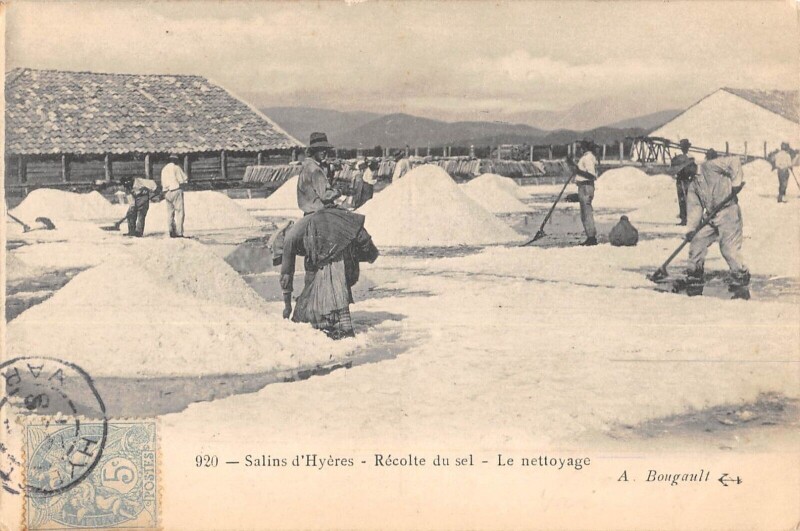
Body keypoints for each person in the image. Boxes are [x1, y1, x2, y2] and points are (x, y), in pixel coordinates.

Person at [279, 208, 379, 339]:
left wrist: (287, 306)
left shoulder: (289, 239)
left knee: (334, 282)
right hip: (344, 242)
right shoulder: (304, 225)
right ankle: (327, 320)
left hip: (337, 249)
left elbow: (286, 274)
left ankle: (345, 327)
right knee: (322, 285)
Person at [684, 149, 749, 299]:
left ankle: (740, 274)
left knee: (728, 248)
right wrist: (691, 229)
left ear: (690, 165)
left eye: (682, 170)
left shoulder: (710, 166)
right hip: (712, 216)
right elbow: (695, 208)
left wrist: (736, 183)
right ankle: (695, 273)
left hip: (728, 212)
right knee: (697, 240)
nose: (682, 174)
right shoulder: (693, 185)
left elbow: (735, 160)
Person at [297, 132, 341, 214]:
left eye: (325, 149)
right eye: (320, 149)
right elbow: (325, 195)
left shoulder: (306, 166)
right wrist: (339, 191)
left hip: (308, 213)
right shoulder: (315, 170)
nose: (324, 152)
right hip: (319, 213)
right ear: (314, 150)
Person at [574, 140, 599, 246]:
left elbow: (592, 175)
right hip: (584, 186)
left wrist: (578, 171)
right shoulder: (588, 157)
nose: (579, 150)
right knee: (584, 213)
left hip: (586, 186)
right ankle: (590, 236)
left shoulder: (587, 158)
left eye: (580, 148)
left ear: (584, 148)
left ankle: (591, 238)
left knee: (586, 213)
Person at [669, 139, 697, 224]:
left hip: (686, 180)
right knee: (682, 199)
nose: (682, 148)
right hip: (681, 180)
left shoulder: (689, 157)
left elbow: (693, 170)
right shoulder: (682, 157)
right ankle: (684, 218)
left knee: (687, 199)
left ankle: (687, 218)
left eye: (683, 147)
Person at [160, 153, 188, 237]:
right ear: (175, 160)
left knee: (170, 213)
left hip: (166, 192)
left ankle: (171, 231)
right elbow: (183, 179)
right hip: (175, 190)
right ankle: (179, 232)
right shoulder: (176, 168)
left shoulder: (164, 169)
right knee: (179, 211)